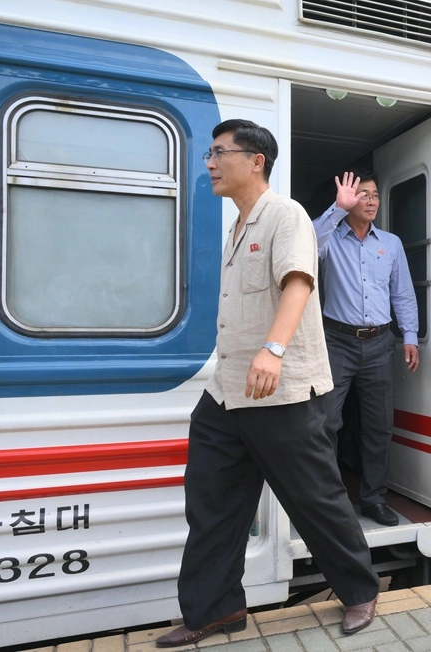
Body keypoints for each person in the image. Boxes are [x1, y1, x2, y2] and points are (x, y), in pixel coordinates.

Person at [156, 120, 380, 648]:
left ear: (256, 161)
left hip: (282, 391)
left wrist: (274, 350)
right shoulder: (238, 227)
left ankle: (359, 591)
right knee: (211, 501)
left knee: (315, 498)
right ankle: (217, 609)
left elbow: (298, 281)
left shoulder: (285, 214)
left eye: (220, 152)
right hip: (228, 391)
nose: (210, 163)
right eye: (210, 153)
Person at [312, 170, 420, 527]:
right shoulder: (330, 238)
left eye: (374, 195)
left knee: (378, 425)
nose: (371, 201)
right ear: (349, 199)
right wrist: (336, 209)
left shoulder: (390, 243)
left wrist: (409, 335)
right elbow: (304, 244)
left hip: (379, 343)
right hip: (336, 341)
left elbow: (402, 293)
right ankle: (328, 502)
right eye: (363, 194)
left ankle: (373, 499)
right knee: (327, 422)